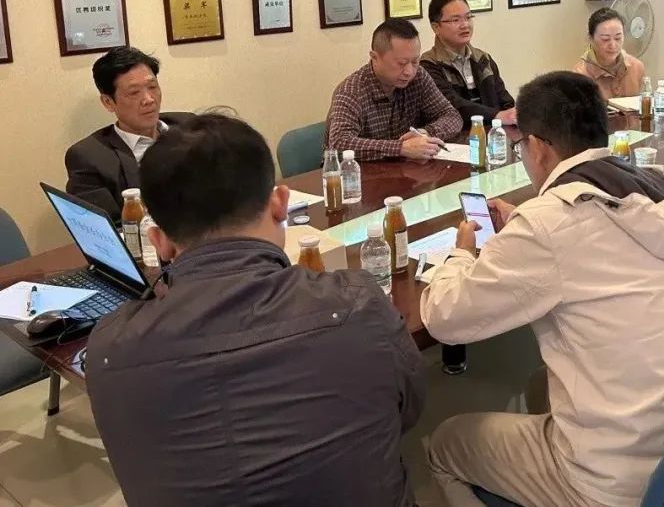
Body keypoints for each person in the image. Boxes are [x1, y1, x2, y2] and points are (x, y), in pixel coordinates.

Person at [85, 113, 425, 507]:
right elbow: (407, 409)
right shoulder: (358, 303)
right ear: (280, 203)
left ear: (158, 241)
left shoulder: (109, 348)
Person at [421, 71, 664, 507]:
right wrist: (526, 222)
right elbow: (587, 238)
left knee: (445, 444)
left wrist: (462, 254)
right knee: (540, 385)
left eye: (521, 147)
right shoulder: (653, 189)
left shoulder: (548, 225)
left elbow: (445, 317)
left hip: (614, 479)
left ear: (538, 147)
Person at [64, 46, 193, 224]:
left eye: (152, 87)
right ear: (108, 102)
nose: (149, 99)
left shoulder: (189, 126)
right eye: (134, 93)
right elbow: (110, 229)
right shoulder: (89, 157)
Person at [327, 18, 463, 161]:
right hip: (358, 171)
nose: (409, 71)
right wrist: (401, 148)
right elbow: (339, 143)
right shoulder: (351, 91)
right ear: (374, 57)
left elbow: (452, 116)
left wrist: (426, 133)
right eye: (401, 63)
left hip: (405, 169)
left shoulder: (419, 77)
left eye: (415, 61)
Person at [420, 0, 516, 126]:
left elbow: (505, 101)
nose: (465, 25)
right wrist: (496, 116)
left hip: (493, 134)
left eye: (468, 17)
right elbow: (452, 105)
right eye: (456, 20)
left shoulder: (483, 59)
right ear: (436, 27)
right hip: (455, 136)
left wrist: (513, 115)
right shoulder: (428, 65)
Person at [572, 8, 645, 102]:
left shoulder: (637, 67)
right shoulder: (579, 76)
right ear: (590, 39)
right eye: (605, 39)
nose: (613, 45)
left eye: (618, 38)